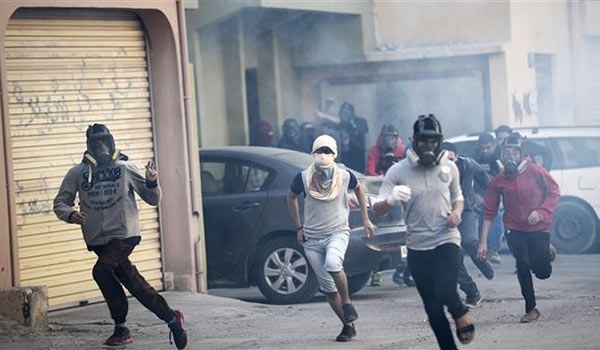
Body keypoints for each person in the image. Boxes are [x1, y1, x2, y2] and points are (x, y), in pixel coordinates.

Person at [53, 124, 187, 349]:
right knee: (134, 283)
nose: (100, 146)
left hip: (124, 236)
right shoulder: (78, 173)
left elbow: (152, 198)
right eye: (95, 143)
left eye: (104, 141)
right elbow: (60, 202)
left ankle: (121, 327)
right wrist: (70, 214)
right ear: (88, 146)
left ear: (112, 142)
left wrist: (152, 181)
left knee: (101, 270)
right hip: (98, 240)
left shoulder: (125, 168)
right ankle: (172, 318)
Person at [373, 114, 475, 349]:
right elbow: (377, 209)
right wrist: (390, 199)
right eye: (422, 141)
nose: (428, 146)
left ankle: (459, 312)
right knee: (432, 306)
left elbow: (458, 197)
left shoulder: (449, 167)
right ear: (414, 141)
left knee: (447, 289)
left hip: (446, 238)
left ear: (439, 142)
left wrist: (457, 213)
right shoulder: (398, 171)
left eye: (433, 141)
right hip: (417, 246)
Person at [286, 134, 375, 342]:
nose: (323, 155)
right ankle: (347, 325)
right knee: (327, 287)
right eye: (320, 151)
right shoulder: (303, 178)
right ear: (313, 153)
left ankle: (347, 303)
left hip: (337, 232)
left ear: (334, 153)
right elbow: (290, 196)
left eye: (327, 151)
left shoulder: (344, 176)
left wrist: (365, 218)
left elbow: (360, 189)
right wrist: (298, 226)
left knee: (333, 263)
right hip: (312, 238)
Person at [477, 132, 560, 323]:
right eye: (506, 152)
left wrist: (541, 212)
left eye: (515, 152)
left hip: (538, 227)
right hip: (514, 228)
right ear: (502, 154)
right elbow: (489, 211)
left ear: (522, 153)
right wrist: (483, 242)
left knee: (542, 272)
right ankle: (531, 309)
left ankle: (546, 251)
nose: (510, 156)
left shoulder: (536, 171)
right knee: (522, 265)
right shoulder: (498, 180)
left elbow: (554, 191)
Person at [441, 142, 495, 308]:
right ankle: (472, 291)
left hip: (467, 210)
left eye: (451, 158)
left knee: (469, 241)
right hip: (444, 216)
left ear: (456, 157)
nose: (448, 163)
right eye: (444, 159)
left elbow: (486, 182)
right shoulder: (432, 171)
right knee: (451, 258)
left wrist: (485, 198)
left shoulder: (469, 165)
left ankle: (482, 260)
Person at [364, 124, 409, 287]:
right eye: (387, 137)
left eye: (393, 137)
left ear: (397, 138)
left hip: (401, 197)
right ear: (382, 138)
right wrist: (386, 176)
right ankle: (376, 271)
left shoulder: (403, 151)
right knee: (379, 237)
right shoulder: (374, 151)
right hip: (380, 196)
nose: (390, 141)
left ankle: (404, 270)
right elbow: (370, 173)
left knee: (404, 234)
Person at [469, 132, 504, 265]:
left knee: (498, 217)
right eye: (482, 148)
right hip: (479, 192)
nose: (485, 151)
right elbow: (466, 178)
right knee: (483, 220)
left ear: (495, 145)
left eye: (488, 148)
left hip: (499, 191)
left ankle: (493, 250)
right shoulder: (473, 156)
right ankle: (482, 250)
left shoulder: (501, 154)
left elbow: (506, 177)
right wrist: (475, 195)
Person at [316, 101, 368, 171]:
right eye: (341, 113)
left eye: (345, 113)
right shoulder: (341, 124)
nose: (342, 115)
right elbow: (323, 122)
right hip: (345, 157)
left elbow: (363, 129)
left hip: (357, 158)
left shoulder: (360, 121)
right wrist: (327, 107)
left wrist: (325, 116)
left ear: (352, 113)